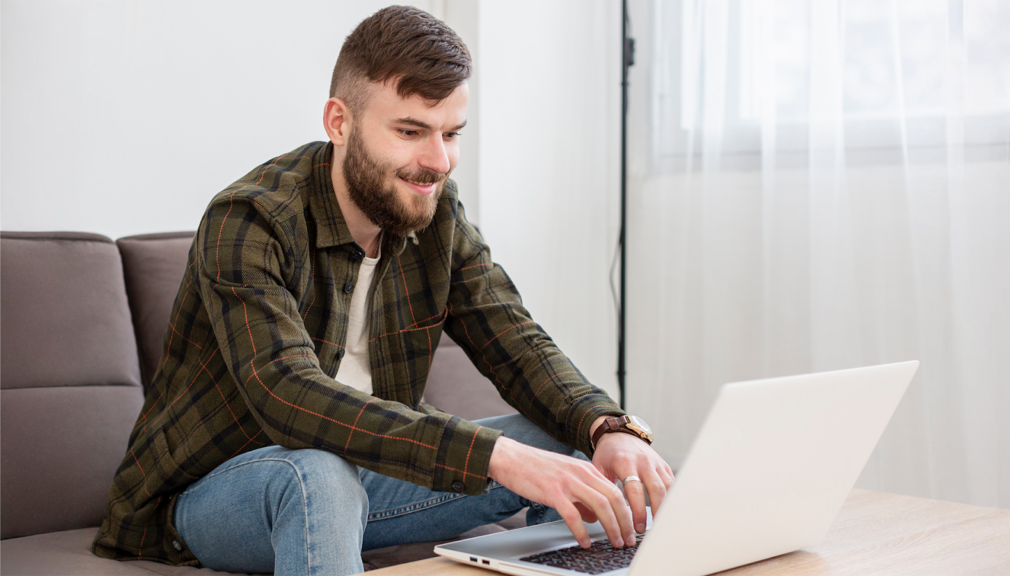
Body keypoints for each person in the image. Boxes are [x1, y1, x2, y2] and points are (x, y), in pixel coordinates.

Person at [93, 5, 673, 574]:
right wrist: (491, 454)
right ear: (339, 122)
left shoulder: (436, 214)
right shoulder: (249, 220)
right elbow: (288, 396)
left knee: (565, 439)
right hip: (221, 494)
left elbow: (515, 338)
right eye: (410, 131)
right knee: (317, 474)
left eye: (451, 133)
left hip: (365, 477)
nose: (438, 161)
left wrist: (608, 425)